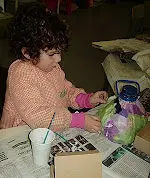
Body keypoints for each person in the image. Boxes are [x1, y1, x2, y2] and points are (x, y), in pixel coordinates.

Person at [0, 2, 108, 133]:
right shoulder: (21, 74)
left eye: (59, 52)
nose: (59, 59)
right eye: (52, 54)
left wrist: (86, 99)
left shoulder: (51, 67)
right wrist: (78, 120)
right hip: (25, 133)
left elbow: (65, 91)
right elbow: (38, 116)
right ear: (28, 53)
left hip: (52, 127)